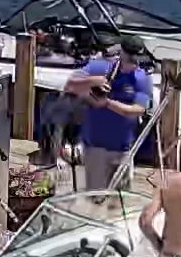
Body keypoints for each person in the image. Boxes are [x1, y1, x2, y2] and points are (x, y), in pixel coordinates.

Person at [66, 38, 154, 193]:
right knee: (95, 197)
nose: (134, 62)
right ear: (122, 52)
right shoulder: (100, 67)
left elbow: (138, 110)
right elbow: (70, 85)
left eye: (137, 58)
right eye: (131, 57)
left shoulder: (143, 78)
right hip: (95, 146)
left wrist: (106, 103)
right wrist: (93, 81)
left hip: (123, 148)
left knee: (120, 199)